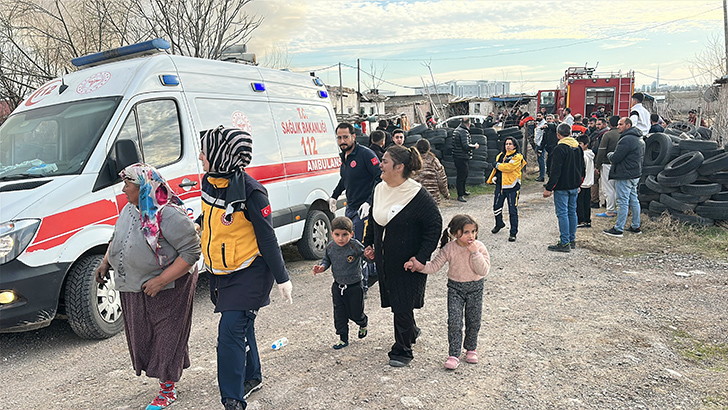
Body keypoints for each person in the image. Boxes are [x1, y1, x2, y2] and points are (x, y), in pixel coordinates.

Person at [197, 126, 293, 410]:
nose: (200, 155)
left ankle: (232, 400)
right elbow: (211, 220)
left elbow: (267, 237)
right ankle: (252, 376)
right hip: (221, 273)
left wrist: (282, 278)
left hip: (251, 272)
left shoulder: (252, 192)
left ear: (220, 154)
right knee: (242, 325)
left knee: (229, 332)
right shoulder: (209, 182)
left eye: (205, 150)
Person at [95, 163, 201, 410]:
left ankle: (168, 390)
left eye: (128, 185)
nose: (123, 190)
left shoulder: (168, 214)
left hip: (170, 287)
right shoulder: (131, 209)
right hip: (135, 285)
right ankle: (166, 376)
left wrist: (162, 280)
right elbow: (118, 237)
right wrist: (105, 262)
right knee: (145, 335)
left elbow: (192, 251)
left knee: (167, 335)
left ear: (143, 188)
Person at [363, 145, 442, 367]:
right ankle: (412, 331)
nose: (380, 164)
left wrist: (421, 258)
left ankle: (403, 350)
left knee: (401, 304)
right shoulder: (380, 188)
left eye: (385, 161)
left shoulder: (416, 194)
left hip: (408, 262)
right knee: (398, 302)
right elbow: (374, 218)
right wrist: (369, 243)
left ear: (399, 167)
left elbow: (434, 225)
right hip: (385, 260)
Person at [404, 214, 490, 370]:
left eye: (473, 231)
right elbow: (434, 266)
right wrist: (418, 265)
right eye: (466, 232)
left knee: (474, 320)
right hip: (455, 289)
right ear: (455, 232)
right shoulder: (449, 248)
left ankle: (471, 349)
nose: (470, 236)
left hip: (476, 288)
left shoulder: (479, 247)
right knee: (454, 322)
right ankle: (454, 354)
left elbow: (483, 270)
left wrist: (475, 253)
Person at [330, 122, 381, 295]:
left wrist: (369, 201)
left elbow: (379, 179)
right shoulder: (344, 157)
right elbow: (345, 180)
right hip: (350, 208)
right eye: (339, 137)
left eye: (345, 137)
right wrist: (334, 196)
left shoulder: (366, 155)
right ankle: (374, 273)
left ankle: (363, 286)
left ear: (353, 137)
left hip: (365, 209)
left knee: (359, 246)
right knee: (349, 243)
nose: (342, 141)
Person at [313, 216, 369, 349]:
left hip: (355, 286)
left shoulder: (355, 246)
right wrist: (322, 267)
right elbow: (327, 260)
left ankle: (363, 322)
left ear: (351, 234)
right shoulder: (330, 247)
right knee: (339, 314)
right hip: (338, 286)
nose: (341, 238)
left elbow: (367, 256)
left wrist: (370, 256)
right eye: (337, 235)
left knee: (355, 313)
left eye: (345, 235)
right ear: (331, 234)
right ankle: (343, 338)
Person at [543, 123, 585, 252]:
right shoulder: (577, 147)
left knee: (562, 214)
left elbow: (556, 171)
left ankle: (564, 242)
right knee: (572, 212)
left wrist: (549, 188)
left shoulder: (560, 148)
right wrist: (580, 183)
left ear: (558, 134)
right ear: (571, 133)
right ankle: (572, 240)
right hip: (574, 185)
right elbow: (582, 168)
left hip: (562, 186)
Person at [603, 117, 645, 237]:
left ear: (628, 125)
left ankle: (618, 228)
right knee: (634, 200)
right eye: (618, 124)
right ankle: (636, 226)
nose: (618, 126)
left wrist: (610, 155)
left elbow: (616, 157)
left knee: (622, 201)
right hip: (635, 173)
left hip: (625, 174)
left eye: (621, 124)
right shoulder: (639, 138)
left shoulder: (626, 139)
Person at [487, 137, 526, 242]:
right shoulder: (500, 155)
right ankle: (499, 223)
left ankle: (513, 232)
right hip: (500, 186)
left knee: (512, 210)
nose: (508, 146)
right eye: (506, 144)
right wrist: (494, 177)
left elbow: (508, 167)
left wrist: (497, 165)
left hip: (512, 187)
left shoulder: (518, 156)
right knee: (496, 207)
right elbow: (497, 170)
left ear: (514, 145)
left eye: (510, 144)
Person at [595, 116, 621, 218]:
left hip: (607, 164)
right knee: (617, 188)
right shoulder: (623, 135)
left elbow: (601, 151)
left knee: (607, 188)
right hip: (619, 165)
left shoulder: (608, 135)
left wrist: (597, 165)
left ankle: (610, 210)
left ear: (609, 124)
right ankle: (618, 209)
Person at [413, 138, 450, 205]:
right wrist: (446, 194)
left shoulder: (411, 161)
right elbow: (441, 179)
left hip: (415, 198)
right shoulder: (434, 161)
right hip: (432, 198)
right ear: (429, 149)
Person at [452, 117, 479, 202]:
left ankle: (463, 191)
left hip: (457, 156)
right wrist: (474, 146)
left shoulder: (457, 130)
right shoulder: (463, 131)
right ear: (469, 123)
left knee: (464, 174)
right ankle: (460, 195)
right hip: (461, 157)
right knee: (462, 176)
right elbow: (466, 146)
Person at [576, 135, 594, 228]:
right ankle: (587, 220)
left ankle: (581, 220)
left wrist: (578, 182)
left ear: (586, 145)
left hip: (582, 183)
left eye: (580, 144)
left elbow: (582, 170)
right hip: (589, 182)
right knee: (587, 202)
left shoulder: (583, 156)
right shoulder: (590, 154)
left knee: (580, 203)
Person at [533, 112, 547, 182]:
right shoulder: (539, 123)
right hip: (538, 144)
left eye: (539, 116)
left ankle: (542, 176)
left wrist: (541, 147)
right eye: (537, 116)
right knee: (539, 160)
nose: (538, 117)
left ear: (543, 116)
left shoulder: (544, 124)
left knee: (541, 160)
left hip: (541, 145)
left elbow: (543, 136)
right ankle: (541, 175)